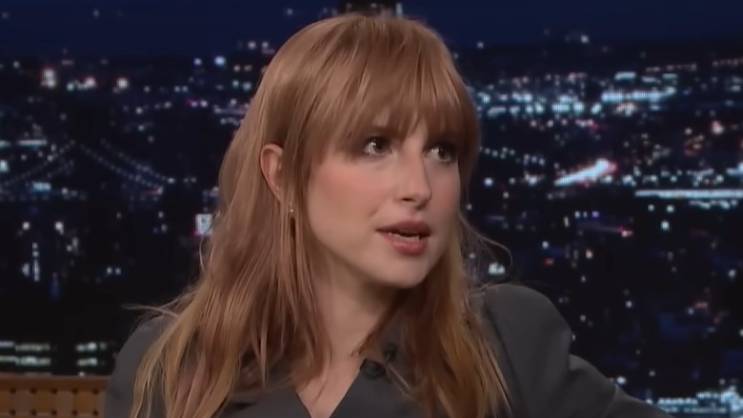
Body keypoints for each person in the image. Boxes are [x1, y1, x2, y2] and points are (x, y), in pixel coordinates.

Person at [104, 12, 672, 418]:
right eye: (375, 145)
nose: (419, 187)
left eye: (442, 151)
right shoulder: (171, 368)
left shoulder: (509, 345)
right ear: (282, 176)